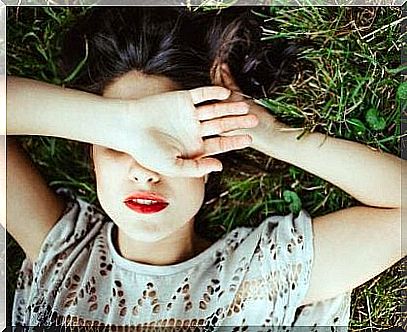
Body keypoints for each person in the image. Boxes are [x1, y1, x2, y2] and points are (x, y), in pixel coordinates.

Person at [6, 7, 403, 328]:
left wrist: (268, 133)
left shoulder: (259, 272)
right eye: (117, 146)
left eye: (171, 143)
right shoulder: (64, 255)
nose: (145, 172)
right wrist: (121, 123)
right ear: (91, 155)